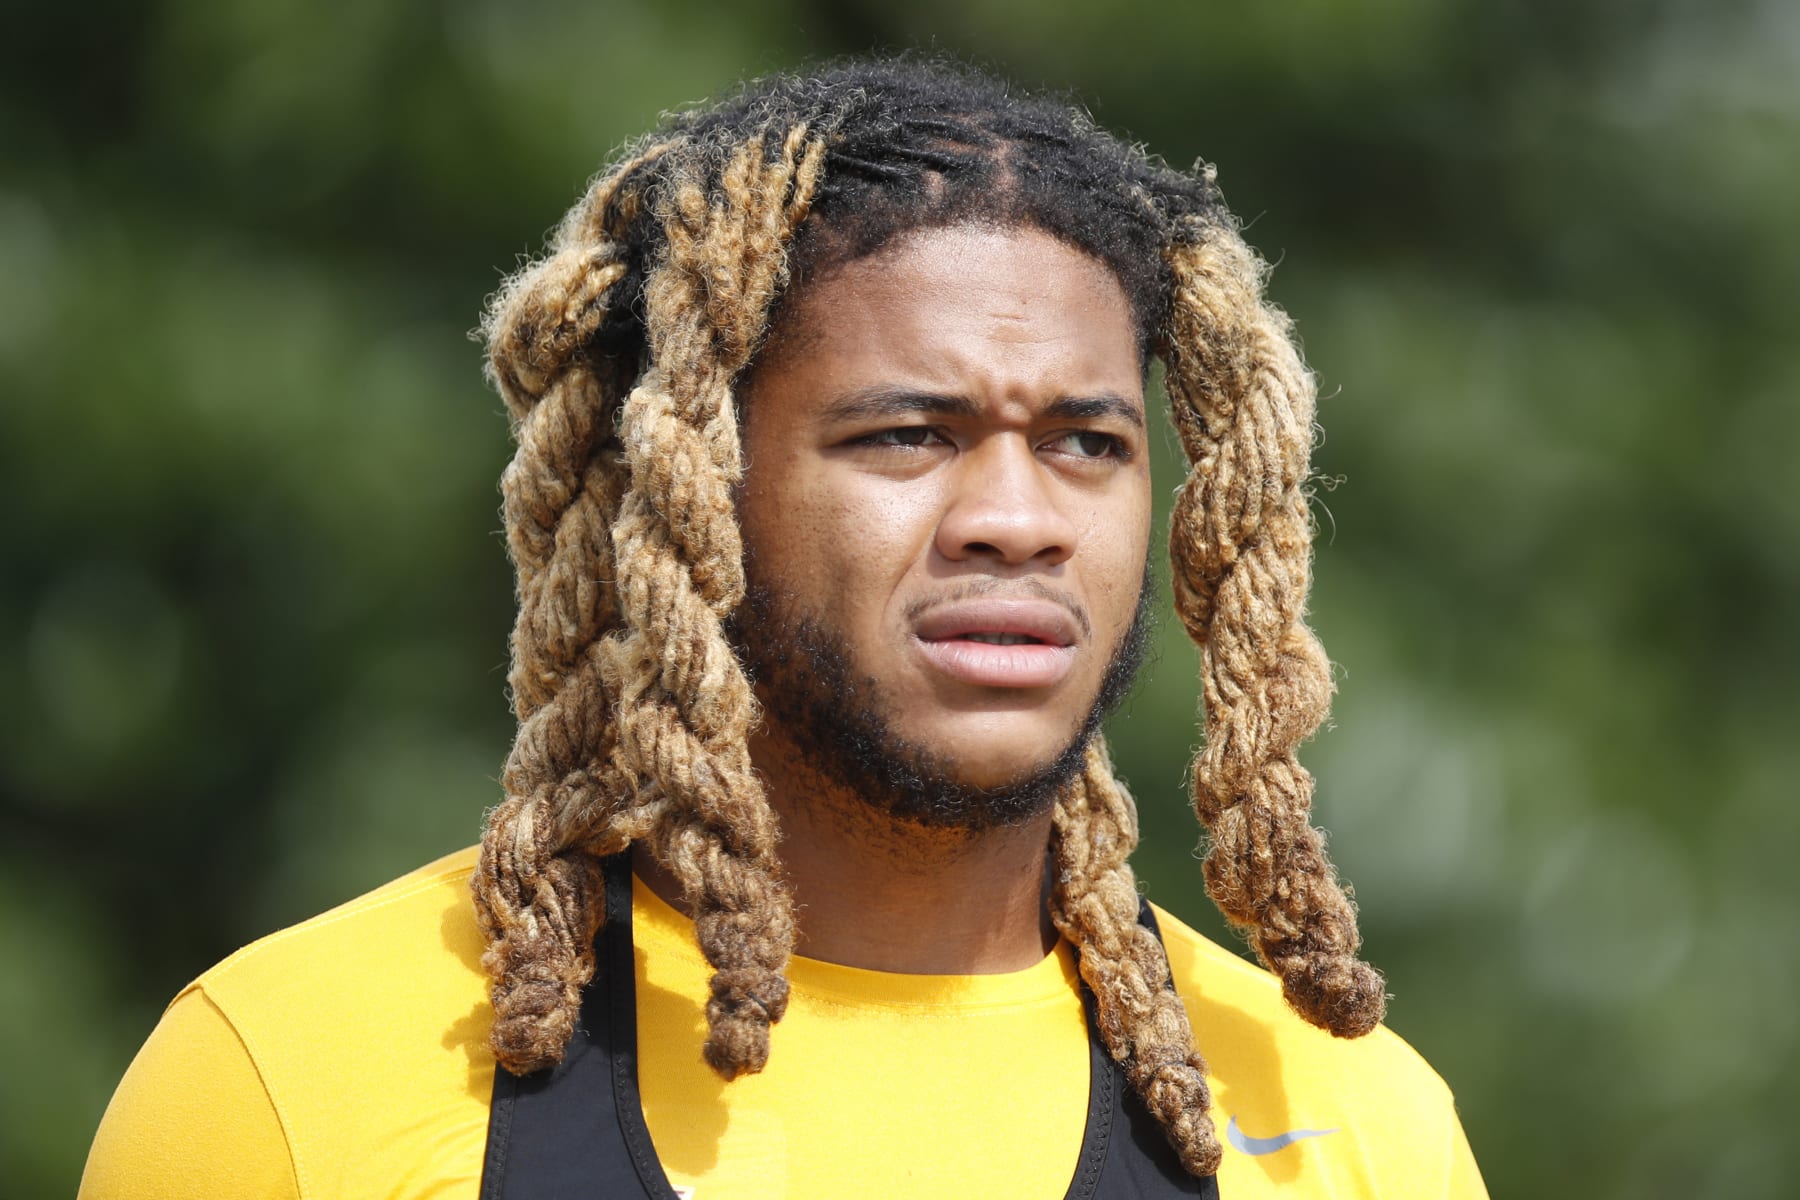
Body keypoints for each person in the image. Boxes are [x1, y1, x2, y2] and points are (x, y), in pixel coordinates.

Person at [80, 58, 1486, 1198]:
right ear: (689, 480)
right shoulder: (296, 1079)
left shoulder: (1343, 1124)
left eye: (1084, 443)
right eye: (906, 435)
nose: (1015, 516)